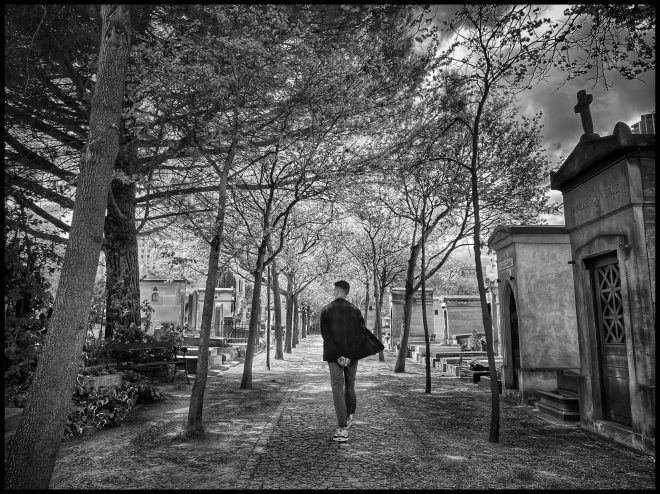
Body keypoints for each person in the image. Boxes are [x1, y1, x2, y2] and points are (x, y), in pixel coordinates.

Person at [320, 280, 384, 443]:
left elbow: (326, 336)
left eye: (335, 288)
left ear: (338, 291)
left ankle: (342, 429)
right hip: (351, 357)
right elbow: (361, 335)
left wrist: (338, 356)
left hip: (334, 356)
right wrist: (349, 356)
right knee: (350, 384)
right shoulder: (355, 310)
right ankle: (349, 416)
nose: (333, 291)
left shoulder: (326, 310)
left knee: (337, 386)